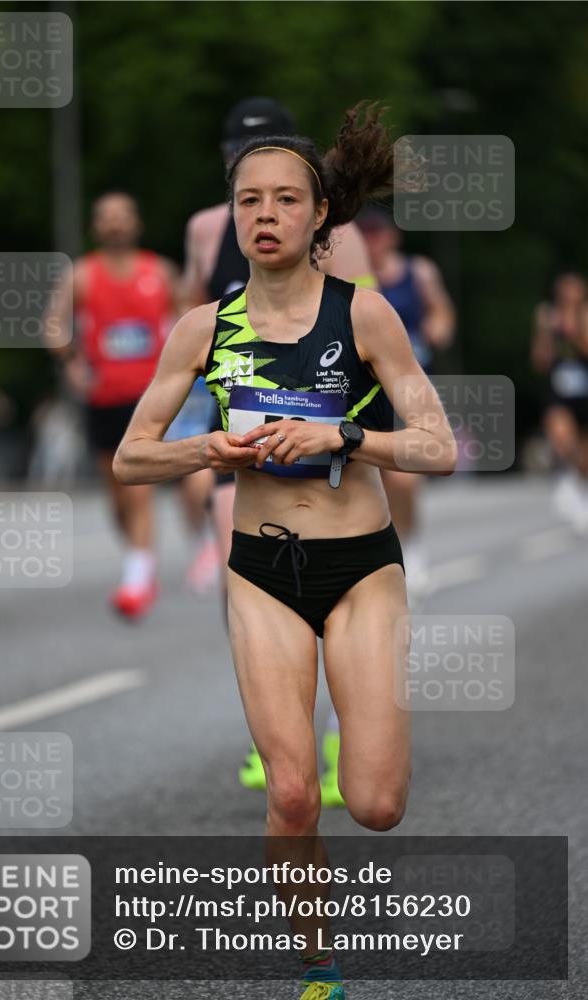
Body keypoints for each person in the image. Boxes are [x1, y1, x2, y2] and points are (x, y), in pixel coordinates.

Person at [114, 101, 456, 999]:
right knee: (296, 792)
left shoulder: (365, 314)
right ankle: (317, 965)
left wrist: (343, 438)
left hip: (360, 569)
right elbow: (129, 454)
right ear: (232, 217)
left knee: (376, 804)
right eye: (248, 201)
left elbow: (437, 446)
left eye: (283, 200)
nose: (263, 215)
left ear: (317, 218)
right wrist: (206, 449)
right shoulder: (202, 327)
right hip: (261, 570)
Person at [181, 97, 377, 800]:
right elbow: (190, 315)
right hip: (236, 426)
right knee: (240, 563)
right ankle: (277, 730)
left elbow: (362, 328)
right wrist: (192, 438)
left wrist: (346, 426)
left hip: (321, 427)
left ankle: (327, 732)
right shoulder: (206, 228)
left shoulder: (332, 231)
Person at [44, 191, 179, 617]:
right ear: (96, 226)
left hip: (150, 397)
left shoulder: (159, 271)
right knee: (117, 494)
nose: (115, 224)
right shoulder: (82, 275)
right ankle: (139, 561)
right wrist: (70, 363)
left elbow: (190, 318)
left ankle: (137, 580)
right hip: (102, 396)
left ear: (136, 223)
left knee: (139, 489)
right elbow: (52, 326)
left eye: (122, 216)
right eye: (107, 218)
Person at [357, 207, 455, 598]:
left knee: (405, 477)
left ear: (392, 236)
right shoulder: (353, 276)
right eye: (366, 235)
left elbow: (442, 313)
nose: (373, 242)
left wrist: (436, 331)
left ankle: (410, 548)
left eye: (379, 234)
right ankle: (377, 551)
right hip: (365, 387)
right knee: (370, 475)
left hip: (407, 385)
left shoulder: (419, 271)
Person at [531, 271, 588, 532]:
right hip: (560, 395)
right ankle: (565, 481)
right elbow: (540, 361)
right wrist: (546, 331)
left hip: (584, 393)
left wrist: (575, 327)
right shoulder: (549, 319)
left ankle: (578, 492)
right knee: (563, 438)